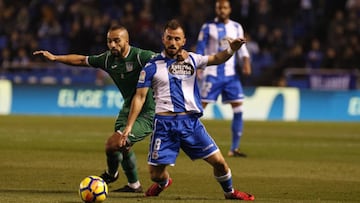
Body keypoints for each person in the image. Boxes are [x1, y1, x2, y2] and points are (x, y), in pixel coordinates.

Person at [33, 24, 187, 193]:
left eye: (117, 41)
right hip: (128, 107)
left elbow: (165, 59)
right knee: (123, 146)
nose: (112, 45)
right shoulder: (107, 59)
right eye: (109, 41)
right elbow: (81, 60)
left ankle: (111, 174)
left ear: (126, 41)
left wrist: (182, 55)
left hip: (149, 113)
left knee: (112, 144)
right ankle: (134, 185)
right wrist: (55, 58)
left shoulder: (140, 57)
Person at [121, 19, 255, 200]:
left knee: (220, 164)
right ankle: (163, 182)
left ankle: (230, 192)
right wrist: (129, 126)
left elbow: (216, 58)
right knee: (155, 174)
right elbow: (140, 97)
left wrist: (232, 49)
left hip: (190, 124)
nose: (173, 42)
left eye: (177, 39)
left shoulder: (192, 59)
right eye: (169, 38)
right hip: (164, 126)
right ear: (163, 39)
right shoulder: (152, 66)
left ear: (183, 41)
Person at [196, 0, 252, 157]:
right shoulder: (207, 27)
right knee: (198, 110)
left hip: (231, 76)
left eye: (224, 7)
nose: (222, 10)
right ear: (216, 9)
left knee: (239, 108)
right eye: (219, 7)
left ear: (230, 9)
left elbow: (242, 48)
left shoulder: (236, 27)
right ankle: (188, 140)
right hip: (211, 75)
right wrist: (198, 68)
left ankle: (234, 148)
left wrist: (246, 62)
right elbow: (200, 47)